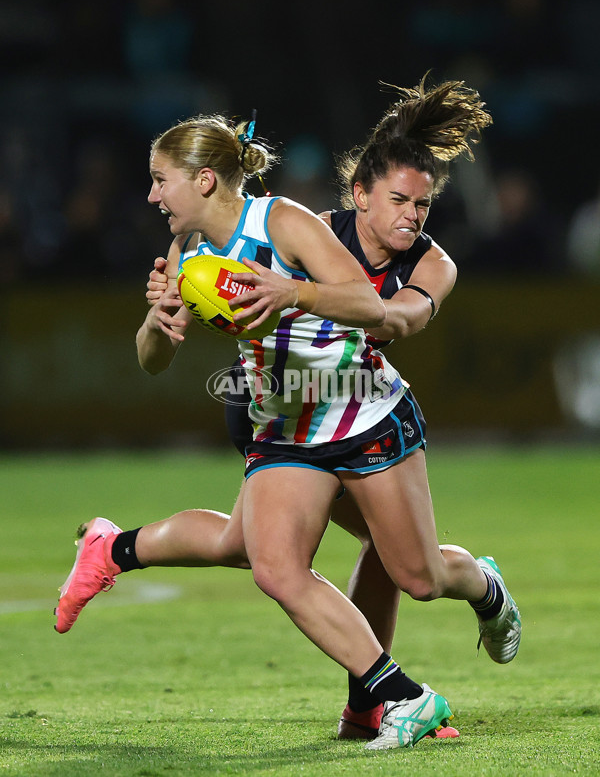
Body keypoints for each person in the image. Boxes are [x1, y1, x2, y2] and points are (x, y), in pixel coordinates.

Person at [55, 78, 521, 751]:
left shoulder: (282, 223)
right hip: (286, 428)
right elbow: (150, 359)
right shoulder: (190, 255)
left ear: (205, 179)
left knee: (416, 576)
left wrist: (290, 290)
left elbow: (370, 306)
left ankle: (482, 592)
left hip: (362, 418)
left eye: (161, 181)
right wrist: (157, 325)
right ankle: (399, 698)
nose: (152, 195)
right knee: (273, 567)